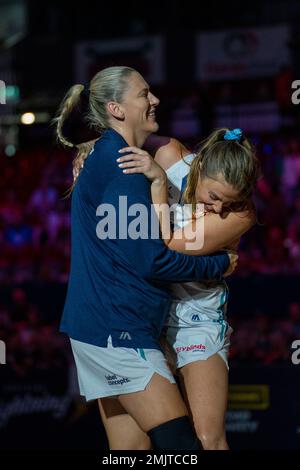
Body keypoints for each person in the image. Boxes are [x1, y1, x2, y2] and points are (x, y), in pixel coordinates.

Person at [55, 66, 234, 450]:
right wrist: (219, 264)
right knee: (183, 449)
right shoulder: (123, 170)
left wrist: (155, 181)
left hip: (101, 328)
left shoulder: (114, 157)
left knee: (131, 453)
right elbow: (153, 262)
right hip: (116, 331)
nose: (154, 100)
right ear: (117, 109)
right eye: (144, 94)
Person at [112, 127, 260, 450]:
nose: (220, 210)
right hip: (149, 316)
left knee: (207, 439)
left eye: (229, 202)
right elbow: (122, 137)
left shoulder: (240, 214)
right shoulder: (170, 154)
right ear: (200, 165)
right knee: (134, 446)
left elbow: (166, 249)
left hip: (198, 321)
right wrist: (88, 152)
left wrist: (159, 183)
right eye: (215, 197)